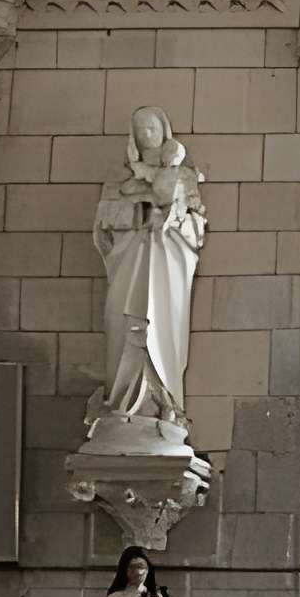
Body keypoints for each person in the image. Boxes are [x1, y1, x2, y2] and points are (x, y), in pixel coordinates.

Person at [90, 106, 206, 433]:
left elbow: (195, 227)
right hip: (129, 263)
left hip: (165, 266)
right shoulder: (120, 178)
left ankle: (164, 402)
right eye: (140, 129)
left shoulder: (184, 177)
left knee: (162, 326)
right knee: (121, 323)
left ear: (164, 132)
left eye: (152, 128)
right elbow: (103, 225)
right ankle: (120, 400)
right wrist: (139, 214)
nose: (146, 134)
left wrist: (171, 218)